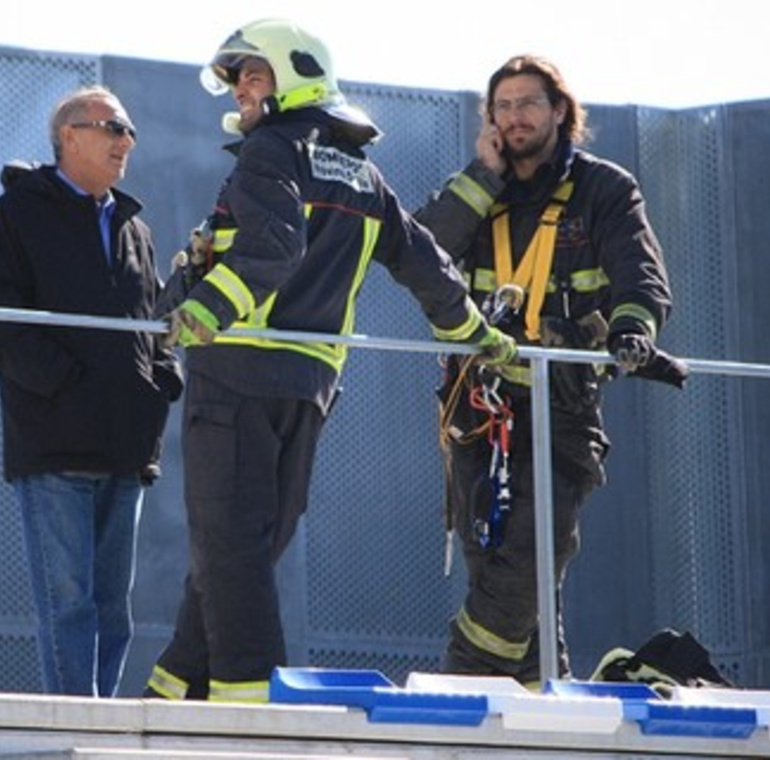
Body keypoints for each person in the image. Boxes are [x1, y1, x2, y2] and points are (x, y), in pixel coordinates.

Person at [143, 18, 517, 703]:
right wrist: (473, 331)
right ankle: (173, 691)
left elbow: (271, 251)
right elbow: (425, 265)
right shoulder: (362, 172)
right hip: (309, 386)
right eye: (238, 80)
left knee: (231, 546)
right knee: (248, 544)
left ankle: (247, 712)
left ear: (292, 76)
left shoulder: (269, 154)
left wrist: (203, 310)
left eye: (253, 75)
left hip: (235, 375)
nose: (242, 92)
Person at [414, 54, 684, 686]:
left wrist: (633, 330)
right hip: (477, 408)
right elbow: (422, 253)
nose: (514, 118)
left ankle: (463, 683)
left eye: (527, 104)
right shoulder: (480, 188)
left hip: (560, 405)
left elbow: (641, 276)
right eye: (501, 107)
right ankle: (542, 705)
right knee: (494, 562)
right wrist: (482, 174)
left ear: (560, 111)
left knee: (537, 554)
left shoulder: (605, 189)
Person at [0, 85, 183, 697]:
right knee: (70, 608)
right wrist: (67, 384)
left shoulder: (135, 228)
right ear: (69, 136)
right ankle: (72, 724)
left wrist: (159, 382)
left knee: (114, 611)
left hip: (125, 449)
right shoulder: (10, 218)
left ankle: (102, 727)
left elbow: (156, 320)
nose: (126, 142)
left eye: (130, 132)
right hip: (55, 446)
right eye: (113, 128)